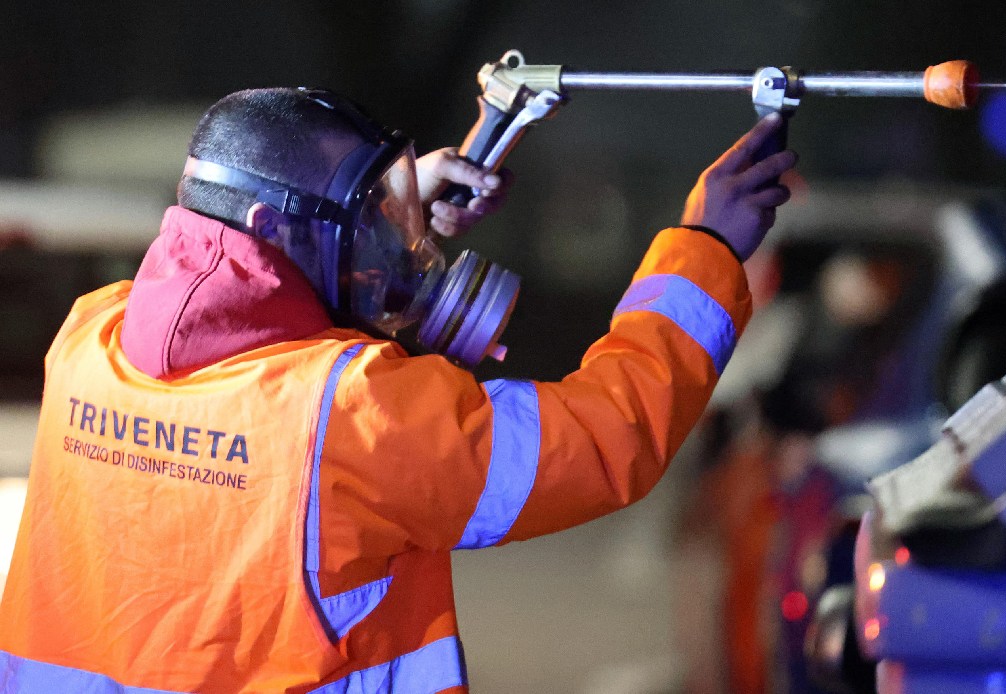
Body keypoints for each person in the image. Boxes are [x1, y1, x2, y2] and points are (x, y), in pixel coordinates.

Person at [0, 87, 796, 692]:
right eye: (370, 219)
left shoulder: (90, 339)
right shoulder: (352, 412)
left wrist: (379, 201)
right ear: (279, 230)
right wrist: (704, 249)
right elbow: (602, 438)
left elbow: (260, 318)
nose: (397, 242)